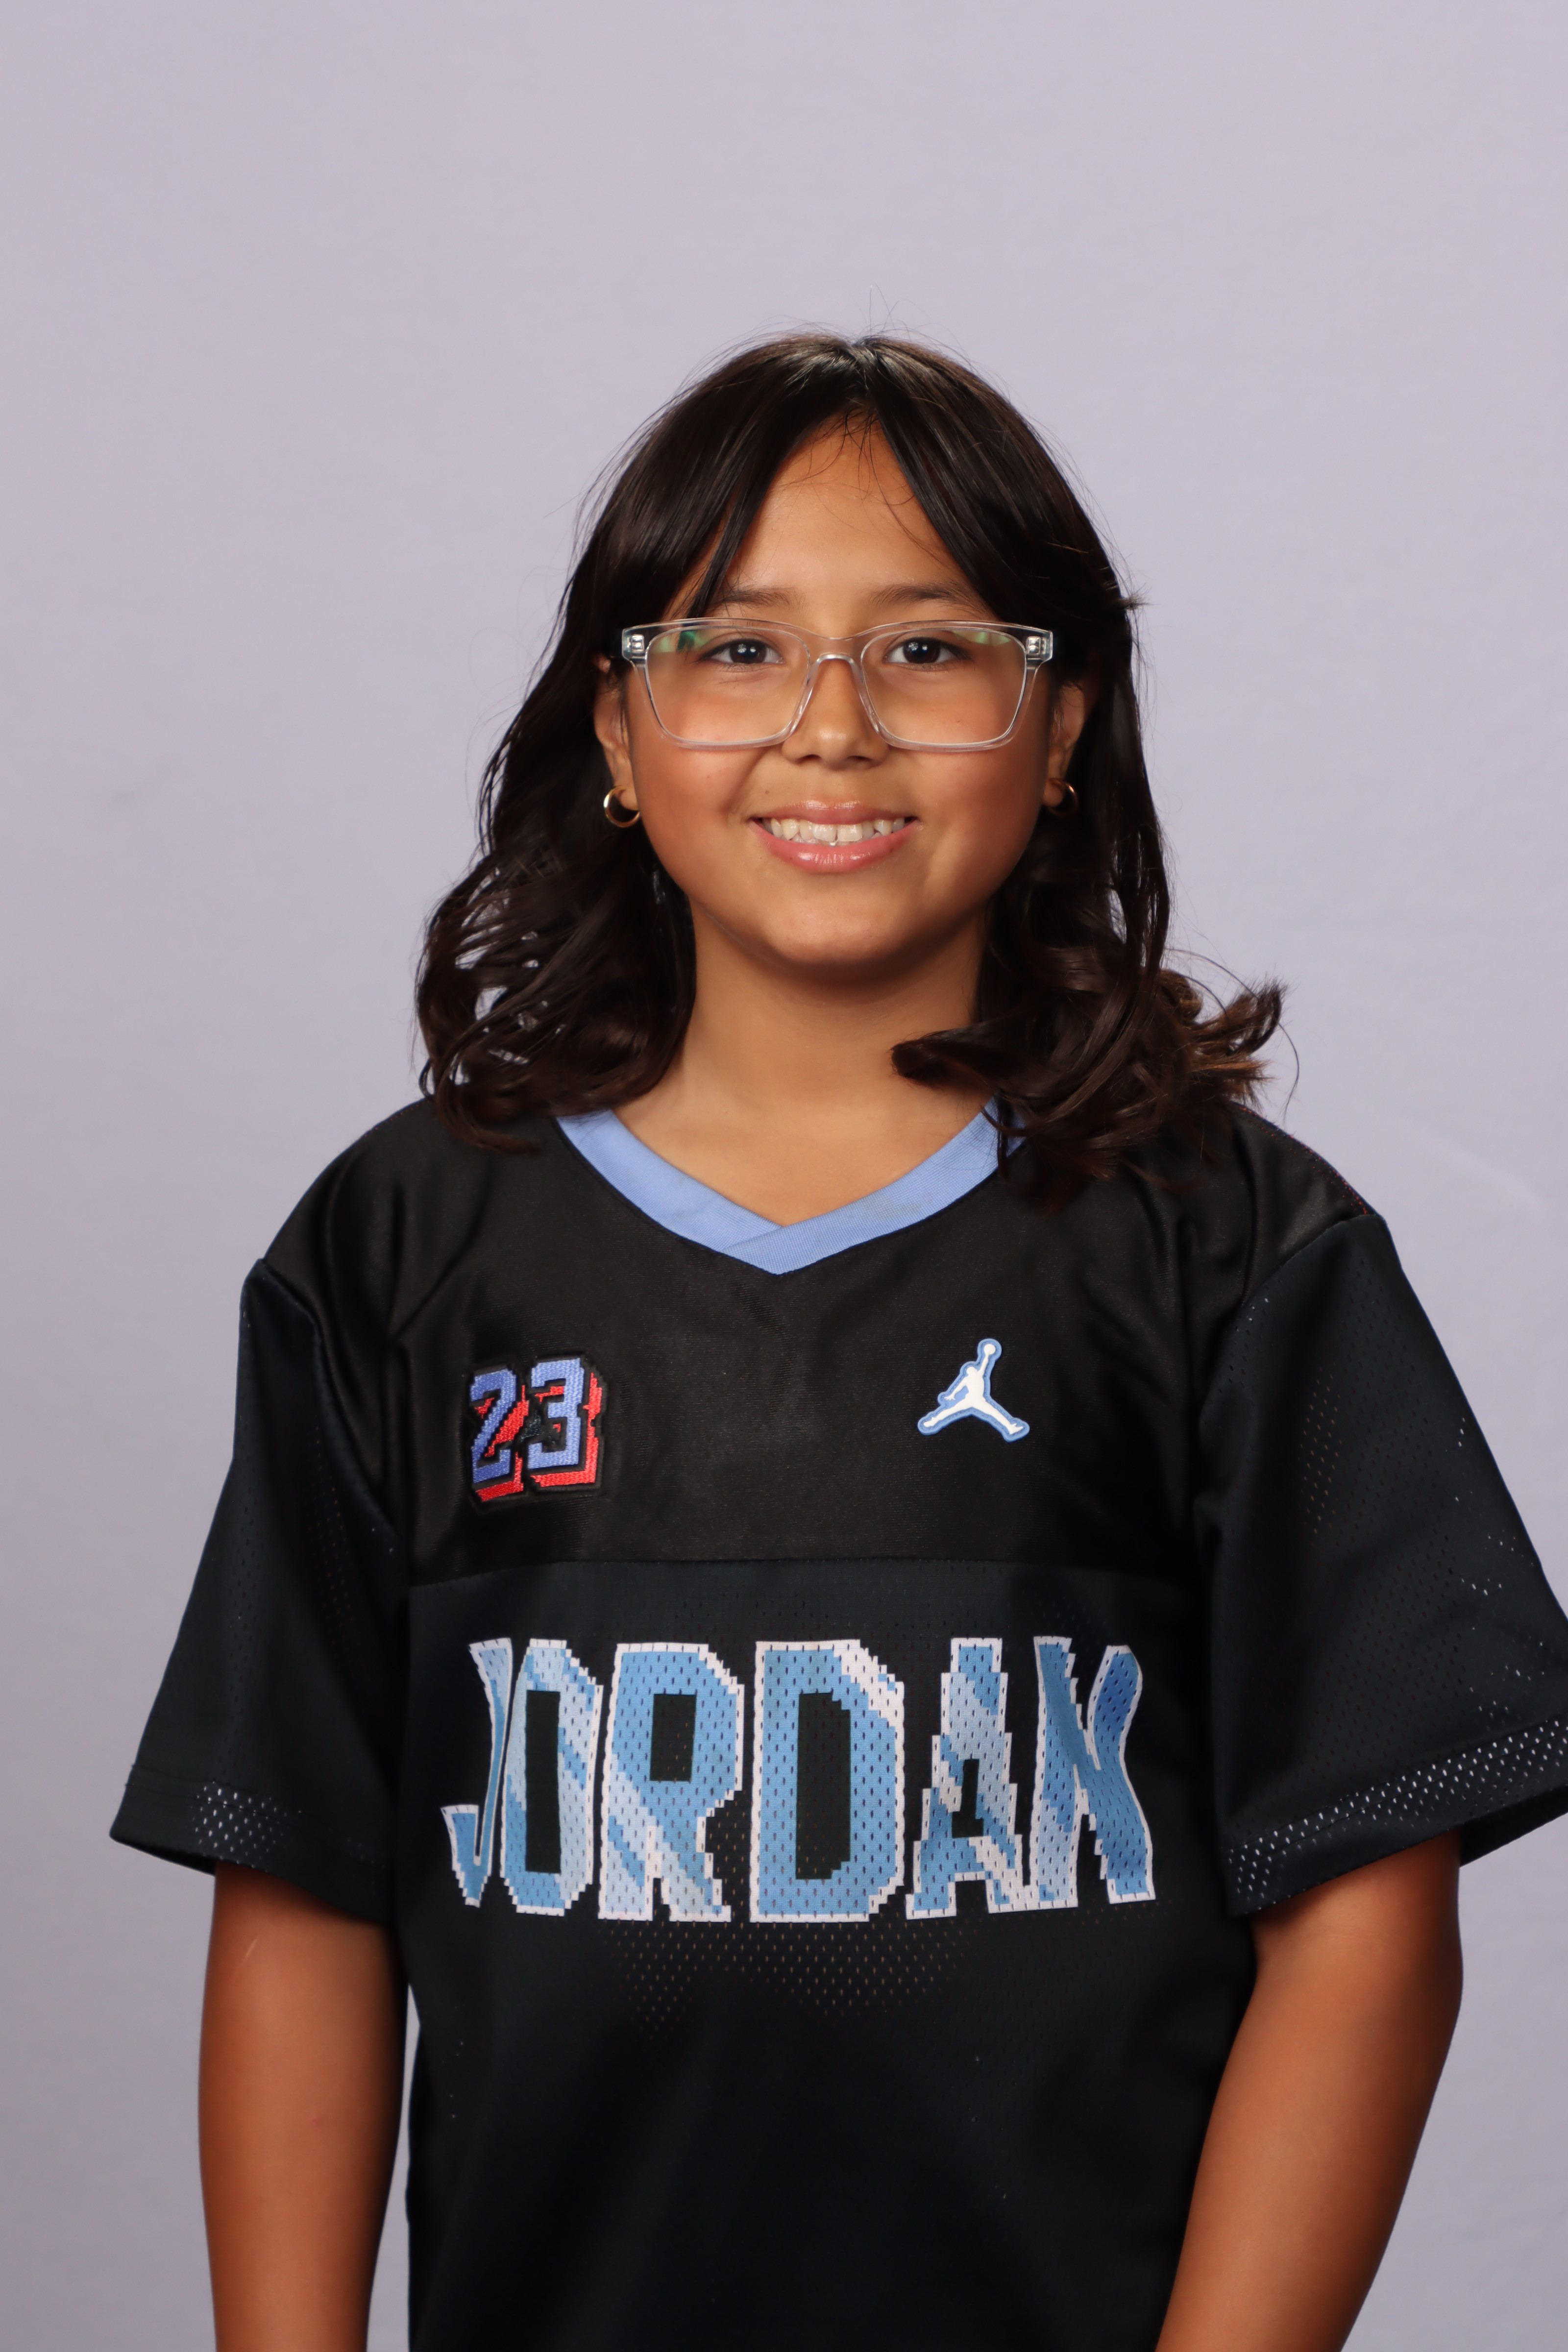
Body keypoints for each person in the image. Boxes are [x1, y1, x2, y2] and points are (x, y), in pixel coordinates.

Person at [113, 332, 1568, 2352]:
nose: (830, 727)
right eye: (734, 648)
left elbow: (1365, 1912)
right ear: (617, 729)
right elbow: (302, 1882)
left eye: (928, 650)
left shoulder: (1231, 1246)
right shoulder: (403, 1247)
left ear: (1056, 730)